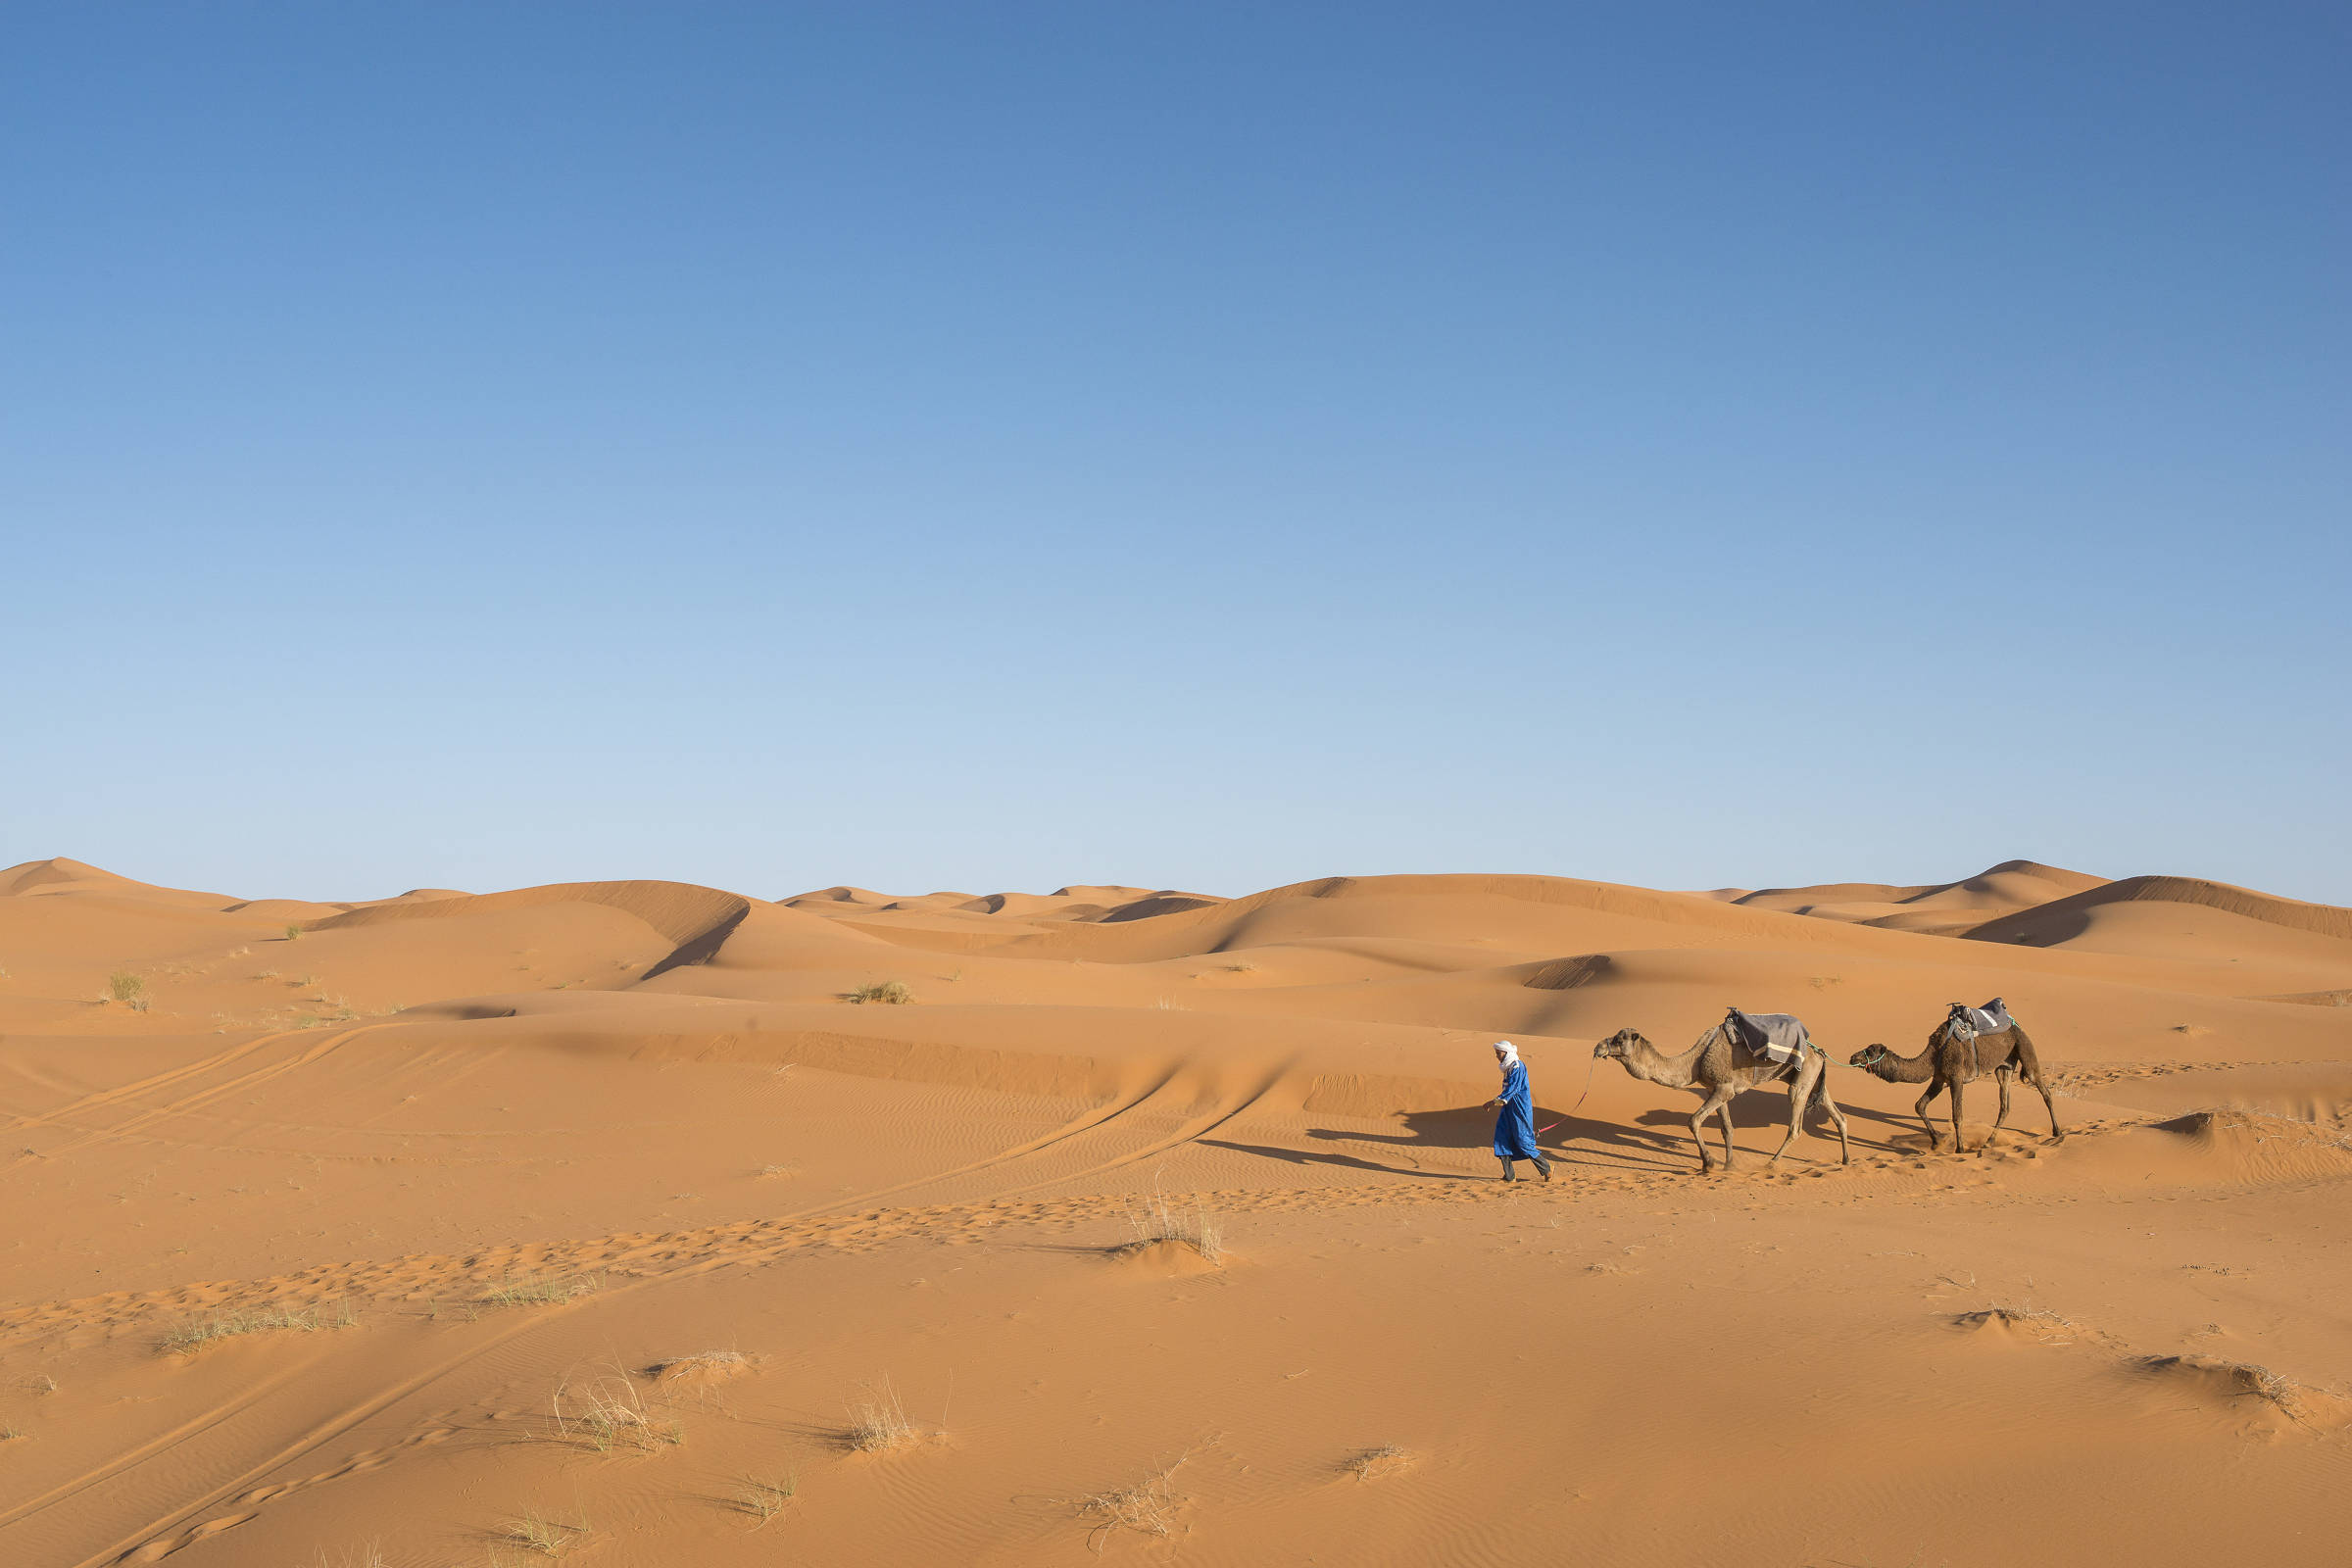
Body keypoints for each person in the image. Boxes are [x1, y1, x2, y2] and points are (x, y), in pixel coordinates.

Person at [1486, 1040, 1551, 1182]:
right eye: (1496, 1053)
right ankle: (1510, 1176)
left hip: (1520, 1109)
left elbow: (1513, 1089)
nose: (1497, 1056)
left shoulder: (1517, 1066)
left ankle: (1546, 1168)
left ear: (1506, 1052)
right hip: (1508, 1108)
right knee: (1501, 1138)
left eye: (1499, 1053)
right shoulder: (1508, 1067)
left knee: (1523, 1141)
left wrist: (1494, 1101)